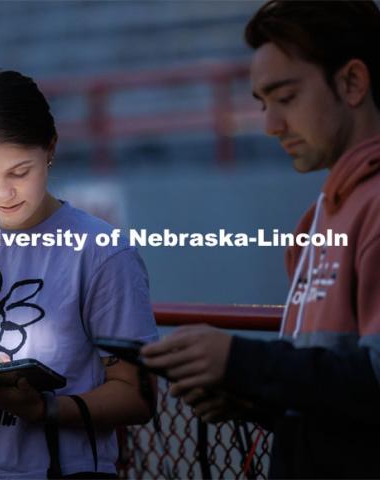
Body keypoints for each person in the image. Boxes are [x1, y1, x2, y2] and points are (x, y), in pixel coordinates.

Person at [142, 1, 380, 477]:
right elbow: (336, 404)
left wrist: (241, 361)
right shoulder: (321, 215)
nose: (271, 125)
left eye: (285, 97)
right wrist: (248, 396)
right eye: (262, 103)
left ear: (352, 82)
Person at [0, 70, 158, 479]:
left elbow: (137, 396)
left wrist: (43, 409)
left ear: (51, 147)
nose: (1, 195)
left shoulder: (102, 251)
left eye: (19, 172)